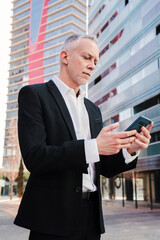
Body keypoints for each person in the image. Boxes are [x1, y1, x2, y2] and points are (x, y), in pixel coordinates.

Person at [14, 34, 153, 240]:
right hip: (52, 218)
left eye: (95, 61)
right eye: (87, 57)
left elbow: (102, 166)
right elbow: (35, 157)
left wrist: (130, 150)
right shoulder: (34, 95)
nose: (92, 65)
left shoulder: (93, 110)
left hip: (91, 219)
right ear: (65, 56)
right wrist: (93, 147)